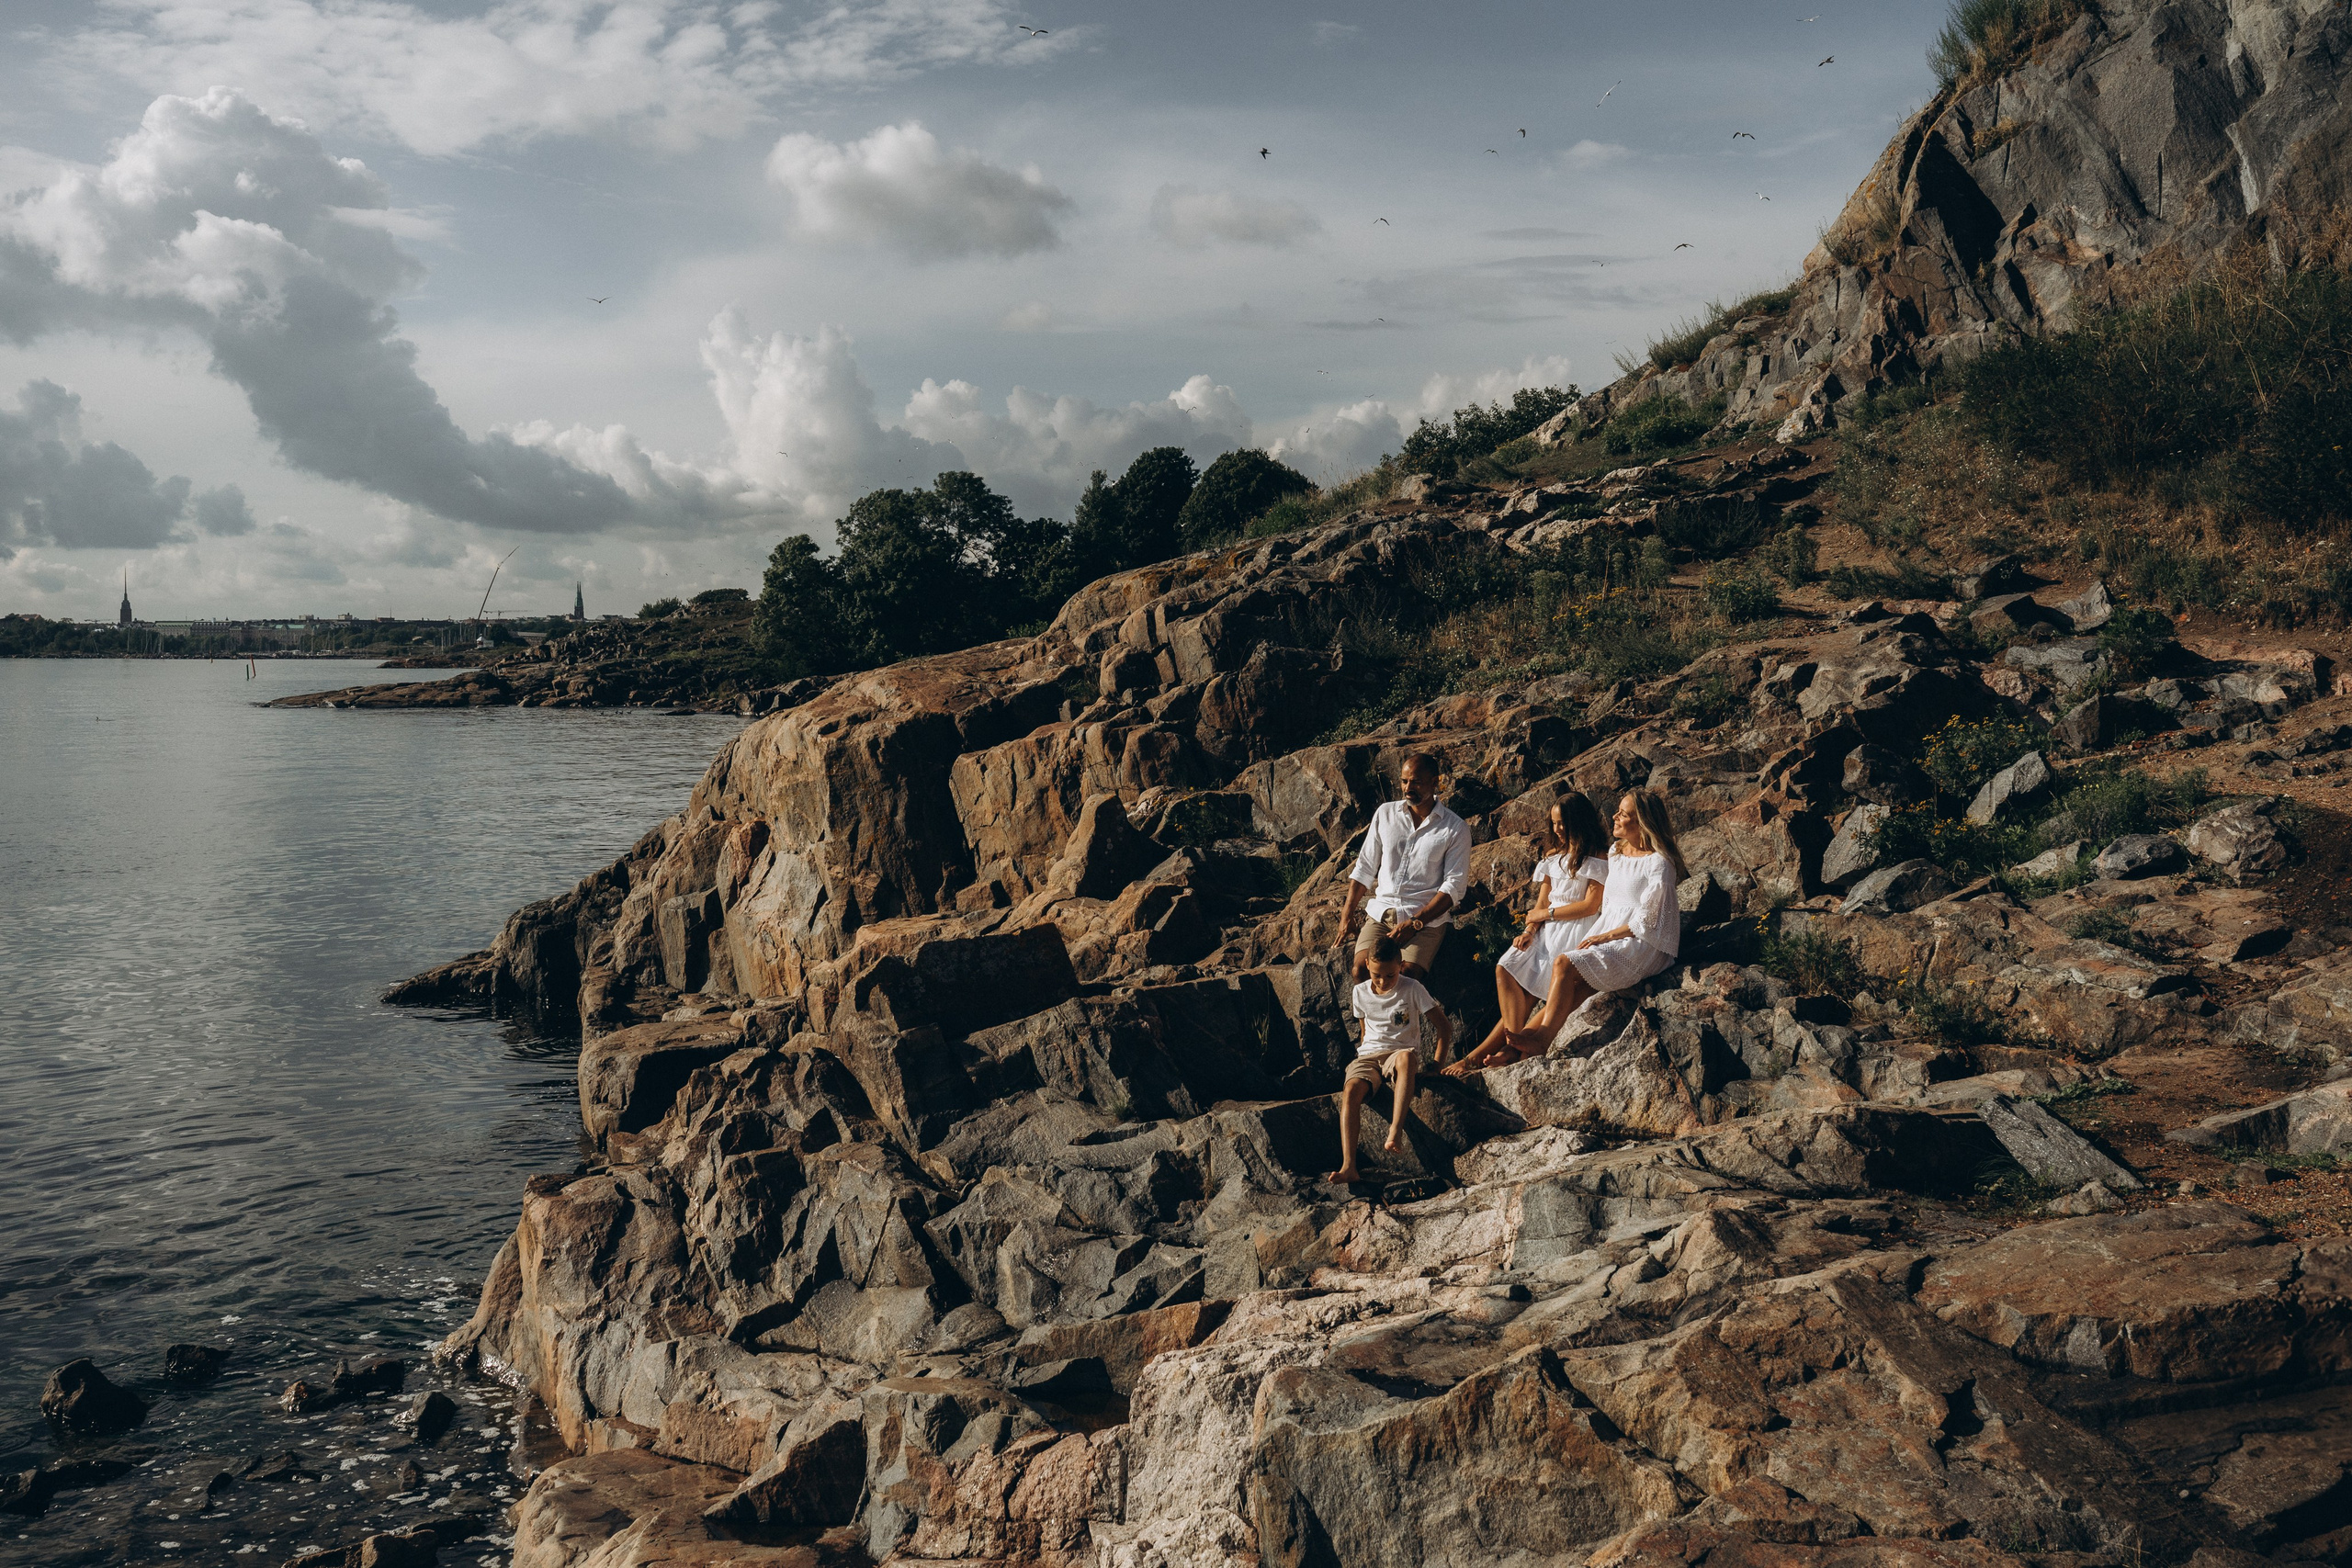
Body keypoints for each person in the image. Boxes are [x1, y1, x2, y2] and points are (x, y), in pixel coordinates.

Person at [1499, 787, 1688, 1058]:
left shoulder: (1659, 863)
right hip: (1611, 934)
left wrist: (1606, 936)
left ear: (1642, 823)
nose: (1614, 816)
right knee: (1571, 987)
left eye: (1623, 814)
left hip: (1642, 943)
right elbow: (1604, 902)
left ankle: (1540, 1041)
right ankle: (1516, 1048)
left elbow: (1652, 918)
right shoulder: (1617, 852)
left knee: (1564, 963)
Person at [1444, 794, 1610, 1076]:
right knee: (1505, 967)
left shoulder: (1596, 857)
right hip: (1545, 931)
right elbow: (1542, 902)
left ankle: (1487, 1055)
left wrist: (1544, 917)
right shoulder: (1552, 858)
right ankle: (1513, 1043)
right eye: (1554, 823)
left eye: (1564, 823)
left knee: (1538, 990)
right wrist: (1529, 930)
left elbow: (1590, 905)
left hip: (1576, 930)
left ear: (1579, 822)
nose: (1558, 829)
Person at [1327, 933, 1452, 1185]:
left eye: (1390, 975)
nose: (1383, 981)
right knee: (1351, 1089)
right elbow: (1364, 1032)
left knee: (1406, 1058)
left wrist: (1437, 1065)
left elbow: (1444, 1027)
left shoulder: (1412, 988)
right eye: (1376, 975)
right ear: (1368, 968)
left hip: (1399, 1054)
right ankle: (1349, 1165)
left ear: (1401, 966)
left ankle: (1395, 1130)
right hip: (1370, 1055)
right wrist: (1365, 1061)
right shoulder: (1359, 992)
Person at [1336, 752, 1471, 984]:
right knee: (1361, 971)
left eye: (1416, 781)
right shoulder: (1385, 813)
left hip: (1425, 922)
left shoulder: (1455, 828)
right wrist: (1347, 915)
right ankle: (1370, 1022)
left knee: (1404, 977)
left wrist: (1416, 923)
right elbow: (1365, 867)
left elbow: (1454, 888)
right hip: (1382, 913)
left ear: (1435, 782)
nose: (1408, 787)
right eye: (1404, 781)